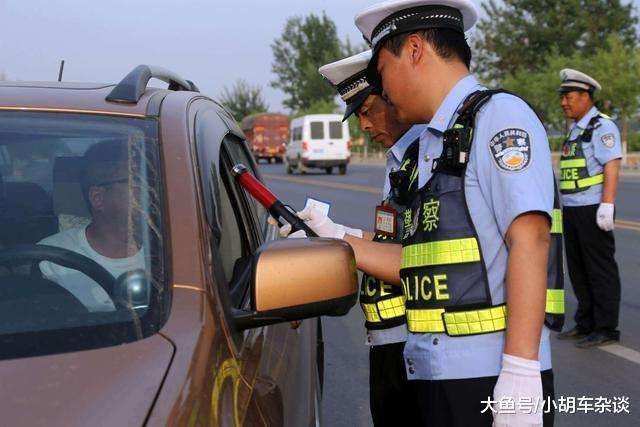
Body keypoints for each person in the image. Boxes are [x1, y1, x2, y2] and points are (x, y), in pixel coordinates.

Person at [282, 0, 565, 425]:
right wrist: (332, 237)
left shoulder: (499, 115)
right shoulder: (435, 143)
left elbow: (530, 239)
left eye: (381, 71)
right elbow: (412, 260)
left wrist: (520, 373)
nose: (383, 88)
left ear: (414, 50)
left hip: (488, 376)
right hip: (434, 371)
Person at [317, 50, 425, 426]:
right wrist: (333, 232)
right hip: (391, 340)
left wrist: (339, 240)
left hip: (417, 344)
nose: (363, 125)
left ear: (393, 96)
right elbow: (390, 240)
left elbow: (418, 259)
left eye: (367, 110)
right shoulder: (400, 161)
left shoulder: (427, 161)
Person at [556, 69, 622, 348]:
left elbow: (612, 164)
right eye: (563, 97)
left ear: (585, 96)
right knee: (578, 269)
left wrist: (607, 204)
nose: (564, 103)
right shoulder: (576, 129)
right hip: (572, 209)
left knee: (599, 269)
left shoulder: (602, 126)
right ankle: (586, 323)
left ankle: (606, 327)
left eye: (569, 97)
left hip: (593, 207)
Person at [39, 140, 144, 312]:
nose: (150, 189)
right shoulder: (50, 260)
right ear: (98, 198)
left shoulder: (172, 256)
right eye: (136, 181)